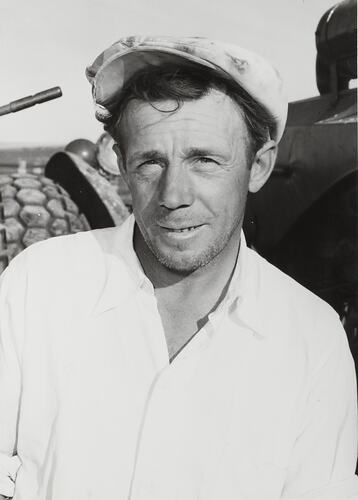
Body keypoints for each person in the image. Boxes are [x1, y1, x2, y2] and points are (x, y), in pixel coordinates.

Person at [0, 36, 357, 500]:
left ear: (259, 167)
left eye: (204, 160)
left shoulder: (313, 340)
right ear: (122, 166)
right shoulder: (38, 287)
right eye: (150, 163)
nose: (174, 196)